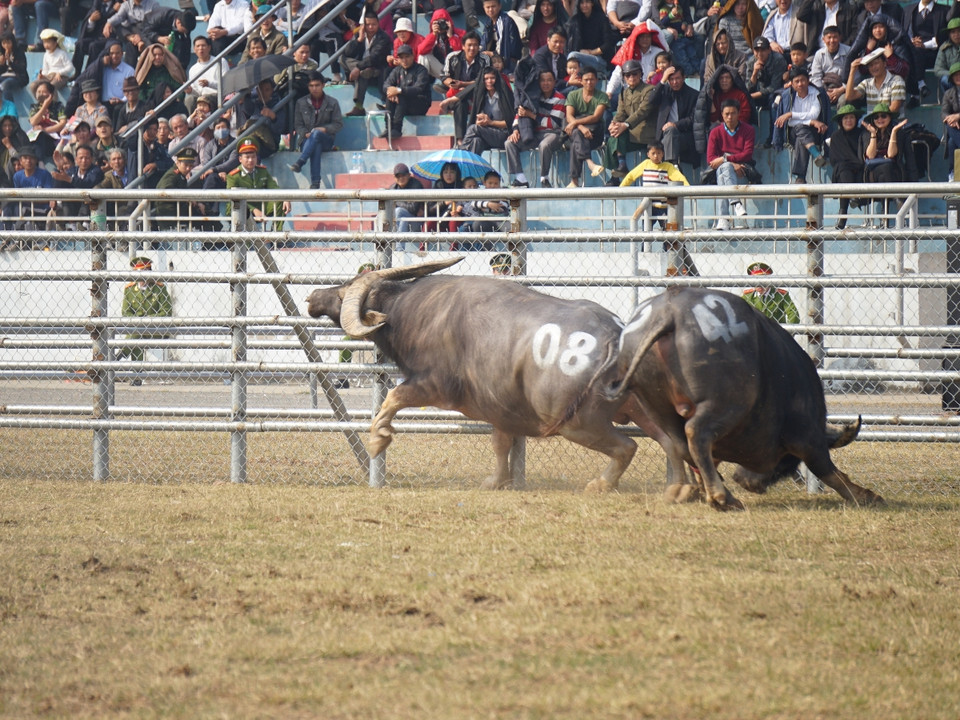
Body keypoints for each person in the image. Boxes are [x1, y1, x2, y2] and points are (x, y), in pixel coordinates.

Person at [704, 98, 760, 229]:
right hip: (723, 168)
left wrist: (725, 159)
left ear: (738, 113)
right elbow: (711, 159)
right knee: (726, 168)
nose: (730, 117)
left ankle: (723, 218)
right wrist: (730, 162)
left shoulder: (748, 130)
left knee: (725, 168)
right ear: (722, 115)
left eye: (733, 113)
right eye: (726, 114)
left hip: (744, 167)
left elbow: (747, 154)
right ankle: (736, 203)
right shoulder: (715, 132)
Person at [505, 68, 566, 188]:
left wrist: (531, 115)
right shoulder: (532, 95)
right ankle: (520, 178)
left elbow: (553, 123)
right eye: (543, 80)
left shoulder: (559, 98)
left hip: (553, 133)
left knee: (545, 145)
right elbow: (519, 113)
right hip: (533, 134)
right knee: (509, 143)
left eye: (549, 80)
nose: (546, 83)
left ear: (554, 82)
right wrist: (516, 129)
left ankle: (544, 178)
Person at [119, 255, 173, 385]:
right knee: (137, 335)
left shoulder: (159, 288)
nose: (142, 277)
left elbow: (166, 311)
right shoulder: (129, 290)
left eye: (145, 273)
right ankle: (137, 377)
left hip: (156, 329)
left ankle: (122, 353)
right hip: (137, 330)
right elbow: (126, 312)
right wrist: (138, 321)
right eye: (139, 274)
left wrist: (149, 320)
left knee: (135, 335)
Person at [602, 58, 657, 182]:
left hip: (645, 134)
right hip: (630, 134)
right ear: (624, 78)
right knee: (613, 136)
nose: (631, 77)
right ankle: (619, 170)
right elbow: (621, 113)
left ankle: (617, 173)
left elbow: (643, 111)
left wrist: (625, 124)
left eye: (634, 74)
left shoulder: (649, 90)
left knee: (617, 135)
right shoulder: (624, 93)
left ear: (641, 74)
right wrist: (614, 124)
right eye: (627, 75)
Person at [772, 66, 829, 182]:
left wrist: (790, 114)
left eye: (802, 80)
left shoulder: (817, 94)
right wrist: (811, 122)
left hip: (816, 133)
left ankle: (801, 177)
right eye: (796, 81)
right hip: (793, 133)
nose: (800, 84)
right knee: (800, 128)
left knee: (801, 137)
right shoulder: (787, 96)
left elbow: (814, 114)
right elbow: (791, 123)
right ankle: (815, 154)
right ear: (792, 84)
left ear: (808, 81)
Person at [290, 71, 342, 189]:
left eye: (317, 85)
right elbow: (298, 125)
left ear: (323, 85)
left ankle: (301, 161)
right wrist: (305, 133)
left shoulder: (332, 102)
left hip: (327, 140)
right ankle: (315, 183)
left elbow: (338, 124)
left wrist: (324, 129)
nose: (314, 89)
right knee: (315, 144)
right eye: (311, 86)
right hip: (306, 141)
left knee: (317, 134)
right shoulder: (301, 102)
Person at [620, 141, 689, 228]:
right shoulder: (645, 164)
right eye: (653, 153)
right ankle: (644, 242)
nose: (656, 156)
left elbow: (679, 178)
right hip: (648, 204)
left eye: (658, 153)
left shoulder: (668, 166)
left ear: (662, 154)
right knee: (645, 231)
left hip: (663, 205)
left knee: (668, 230)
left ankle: (668, 242)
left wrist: (688, 189)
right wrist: (621, 188)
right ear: (648, 154)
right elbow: (631, 176)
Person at [225, 137, 289, 229]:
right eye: (247, 157)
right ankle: (244, 240)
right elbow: (234, 200)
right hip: (240, 208)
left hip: (260, 206)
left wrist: (285, 198)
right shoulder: (233, 176)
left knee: (281, 201)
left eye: (253, 157)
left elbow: (274, 188)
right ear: (240, 159)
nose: (250, 160)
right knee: (241, 207)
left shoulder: (262, 171)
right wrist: (253, 209)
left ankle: (276, 236)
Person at [439, 31, 488, 142]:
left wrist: (463, 85)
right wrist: (454, 85)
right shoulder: (452, 57)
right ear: (463, 46)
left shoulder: (484, 59)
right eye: (469, 45)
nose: (472, 48)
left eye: (475, 45)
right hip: (456, 92)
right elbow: (444, 76)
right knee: (460, 102)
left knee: (481, 83)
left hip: (477, 94)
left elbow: (484, 80)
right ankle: (461, 140)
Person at [564, 66, 608, 187]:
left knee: (576, 139)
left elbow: (596, 117)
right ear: (581, 81)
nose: (589, 82)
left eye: (592, 79)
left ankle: (574, 181)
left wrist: (575, 123)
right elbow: (569, 116)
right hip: (579, 133)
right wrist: (582, 127)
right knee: (577, 136)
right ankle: (590, 163)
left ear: (596, 80)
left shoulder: (602, 96)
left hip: (594, 135)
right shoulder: (573, 95)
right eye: (586, 79)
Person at [341, 13, 391, 117]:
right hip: (364, 69)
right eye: (368, 24)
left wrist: (358, 68)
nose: (371, 27)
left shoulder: (383, 38)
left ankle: (358, 107)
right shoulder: (359, 34)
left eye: (374, 24)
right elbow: (347, 53)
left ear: (378, 24)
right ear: (363, 25)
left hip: (377, 68)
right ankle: (359, 107)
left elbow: (374, 57)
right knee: (343, 59)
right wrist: (359, 40)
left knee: (362, 72)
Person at [827, 103, 866, 229]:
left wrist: (854, 163)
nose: (848, 121)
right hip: (844, 170)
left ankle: (845, 209)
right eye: (845, 118)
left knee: (855, 169)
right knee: (844, 170)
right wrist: (850, 162)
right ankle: (843, 211)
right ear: (840, 121)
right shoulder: (836, 136)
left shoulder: (862, 134)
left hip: (861, 169)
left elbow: (864, 156)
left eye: (851, 117)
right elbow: (834, 159)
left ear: (856, 119)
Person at [461, 66, 515, 156]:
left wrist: (490, 122)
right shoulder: (482, 97)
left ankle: (461, 151)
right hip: (487, 134)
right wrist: (480, 121)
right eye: (486, 78)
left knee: (474, 128)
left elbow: (510, 123)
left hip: (503, 135)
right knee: (476, 141)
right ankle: (472, 167)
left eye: (492, 78)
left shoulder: (505, 96)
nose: (489, 81)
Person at [382, 44, 431, 140]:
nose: (404, 60)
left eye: (407, 57)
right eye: (402, 58)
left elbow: (418, 89)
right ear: (398, 59)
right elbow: (386, 85)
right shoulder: (397, 70)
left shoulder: (421, 70)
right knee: (391, 96)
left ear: (413, 56)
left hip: (420, 104)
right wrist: (391, 91)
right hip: (404, 105)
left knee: (400, 95)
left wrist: (399, 90)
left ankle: (397, 128)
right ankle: (388, 128)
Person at [652, 64, 699, 166]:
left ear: (684, 78)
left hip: (685, 136)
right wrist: (662, 80)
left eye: (677, 78)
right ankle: (673, 166)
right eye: (671, 79)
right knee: (668, 133)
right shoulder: (664, 92)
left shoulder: (694, 95)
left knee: (671, 130)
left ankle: (671, 165)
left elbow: (694, 118)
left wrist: (675, 125)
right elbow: (651, 101)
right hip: (663, 137)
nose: (675, 82)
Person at [3, 144, 54, 233]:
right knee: (10, 207)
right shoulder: (17, 176)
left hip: (41, 210)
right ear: (21, 161)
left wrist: (29, 200)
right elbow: (17, 198)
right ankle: (8, 236)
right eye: (25, 158)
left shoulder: (45, 174)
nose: (28, 161)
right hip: (23, 209)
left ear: (36, 160)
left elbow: (49, 198)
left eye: (31, 158)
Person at [844, 47, 906, 117]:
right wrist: (852, 71)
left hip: (893, 124)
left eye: (876, 63)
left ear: (885, 63)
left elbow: (894, 108)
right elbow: (849, 96)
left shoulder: (897, 80)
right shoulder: (867, 82)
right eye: (870, 65)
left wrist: (878, 120)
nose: (873, 67)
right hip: (873, 123)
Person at [156, 146, 207, 228]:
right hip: (170, 215)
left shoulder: (180, 176)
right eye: (185, 165)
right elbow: (166, 190)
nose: (188, 168)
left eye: (190, 166)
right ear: (178, 163)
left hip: (178, 212)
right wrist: (187, 198)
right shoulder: (172, 175)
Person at [236, 78, 286, 158]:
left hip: (270, 144)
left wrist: (273, 117)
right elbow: (248, 110)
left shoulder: (277, 105)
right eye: (261, 90)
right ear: (257, 91)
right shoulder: (255, 102)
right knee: (243, 144)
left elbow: (280, 129)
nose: (263, 93)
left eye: (267, 90)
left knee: (252, 142)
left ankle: (254, 168)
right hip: (252, 137)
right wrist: (247, 95)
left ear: (272, 91)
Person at [564, 0, 617, 74]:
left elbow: (608, 44)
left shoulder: (602, 19)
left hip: (599, 59)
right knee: (573, 60)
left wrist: (590, 52)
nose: (584, 5)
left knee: (573, 55)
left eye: (587, 2)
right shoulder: (575, 21)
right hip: (581, 60)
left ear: (592, 3)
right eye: (582, 3)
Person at [809, 25, 851, 107]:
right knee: (817, 99)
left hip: (844, 88)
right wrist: (824, 93)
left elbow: (855, 77)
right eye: (829, 37)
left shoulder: (849, 52)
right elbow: (815, 77)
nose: (832, 40)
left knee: (843, 101)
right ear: (823, 39)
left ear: (840, 38)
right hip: (824, 88)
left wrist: (840, 90)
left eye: (835, 37)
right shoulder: (819, 54)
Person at [125, 113, 171, 188]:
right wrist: (145, 119)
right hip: (135, 188)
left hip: (152, 188)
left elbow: (170, 163)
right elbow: (132, 136)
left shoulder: (158, 147)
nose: (152, 132)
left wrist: (156, 165)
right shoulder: (135, 144)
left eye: (155, 129)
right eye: (149, 129)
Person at [459, 169, 509, 238]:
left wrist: (495, 205)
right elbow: (474, 203)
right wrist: (488, 204)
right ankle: (485, 248)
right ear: (484, 183)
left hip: (501, 221)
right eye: (490, 183)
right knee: (477, 224)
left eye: (496, 183)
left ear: (499, 184)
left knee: (511, 229)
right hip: (487, 221)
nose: (493, 186)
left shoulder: (502, 193)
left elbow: (504, 206)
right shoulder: (482, 193)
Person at [418, 7, 464, 80]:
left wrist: (451, 37)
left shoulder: (460, 33)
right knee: (423, 57)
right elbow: (421, 51)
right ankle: (422, 86)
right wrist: (433, 35)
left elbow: (461, 54)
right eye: (437, 23)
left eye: (443, 22)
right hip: (441, 68)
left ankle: (448, 84)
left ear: (448, 22)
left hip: (457, 69)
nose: (440, 25)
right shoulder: (432, 35)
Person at [28, 79, 66, 160]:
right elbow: (33, 122)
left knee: (40, 135)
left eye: (43, 91)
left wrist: (45, 130)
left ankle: (39, 162)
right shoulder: (34, 107)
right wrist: (44, 106)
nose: (40, 94)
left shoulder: (58, 105)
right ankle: (40, 162)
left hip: (53, 138)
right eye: (38, 92)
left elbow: (62, 124)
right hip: (39, 138)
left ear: (50, 94)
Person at [479, 0, 522, 71]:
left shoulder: (506, 21)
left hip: (508, 60)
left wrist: (493, 53)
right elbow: (484, 42)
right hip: (495, 59)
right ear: (484, 8)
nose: (490, 9)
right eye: (488, 7)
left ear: (499, 6)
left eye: (493, 6)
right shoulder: (488, 22)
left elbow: (512, 48)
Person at [29, 28, 74, 93]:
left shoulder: (62, 53)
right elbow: (46, 70)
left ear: (55, 43)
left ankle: (54, 102)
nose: (46, 45)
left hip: (61, 77)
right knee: (33, 85)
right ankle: (41, 101)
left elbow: (70, 67)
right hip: (49, 77)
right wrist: (42, 76)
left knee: (51, 87)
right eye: (44, 42)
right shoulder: (46, 55)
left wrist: (60, 73)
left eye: (48, 42)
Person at [388, 162, 426, 236]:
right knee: (401, 219)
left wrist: (396, 201)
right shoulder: (393, 188)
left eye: (403, 175)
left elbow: (413, 209)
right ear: (394, 177)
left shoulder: (416, 185)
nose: (401, 178)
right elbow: (389, 209)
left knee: (399, 211)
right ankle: (395, 246)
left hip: (416, 223)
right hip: (401, 222)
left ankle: (396, 244)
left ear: (409, 175)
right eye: (398, 176)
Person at [0, 31, 26, 103]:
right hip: (4, 76)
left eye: (8, 43)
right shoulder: (2, 54)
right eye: (4, 43)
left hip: (17, 77)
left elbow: (22, 69)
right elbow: (2, 71)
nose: (6, 45)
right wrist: (1, 64)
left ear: (13, 42)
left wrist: (10, 62)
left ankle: (10, 109)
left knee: (5, 84)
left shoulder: (19, 53)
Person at [935, 18, 960, 94]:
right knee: (945, 79)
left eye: (959, 31)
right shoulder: (944, 48)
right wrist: (953, 74)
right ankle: (953, 101)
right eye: (953, 32)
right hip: (952, 80)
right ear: (949, 34)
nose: (956, 35)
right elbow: (938, 70)